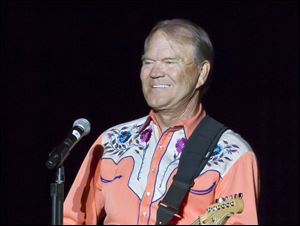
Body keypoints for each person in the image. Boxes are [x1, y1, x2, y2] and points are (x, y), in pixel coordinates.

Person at [63, 18, 259, 225]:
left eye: (169, 62)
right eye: (148, 62)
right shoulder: (111, 141)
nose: (155, 73)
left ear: (202, 73)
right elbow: (73, 218)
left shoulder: (233, 154)